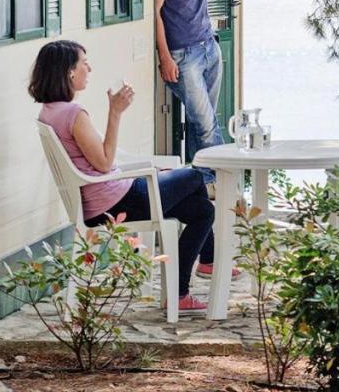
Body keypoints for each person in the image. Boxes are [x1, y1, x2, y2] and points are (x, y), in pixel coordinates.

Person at [32, 39, 214, 312]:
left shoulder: (49, 112)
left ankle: (188, 284)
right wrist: (115, 113)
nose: (89, 68)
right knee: (196, 177)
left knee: (202, 210)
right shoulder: (73, 113)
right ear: (70, 72)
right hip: (116, 202)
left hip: (109, 198)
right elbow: (104, 163)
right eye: (84, 63)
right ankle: (203, 268)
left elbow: (97, 163)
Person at [155, 0, 324, 186]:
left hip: (208, 47)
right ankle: (227, 184)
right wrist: (165, 56)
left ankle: (203, 185)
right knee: (207, 125)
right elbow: (155, 10)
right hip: (182, 55)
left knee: (203, 124)